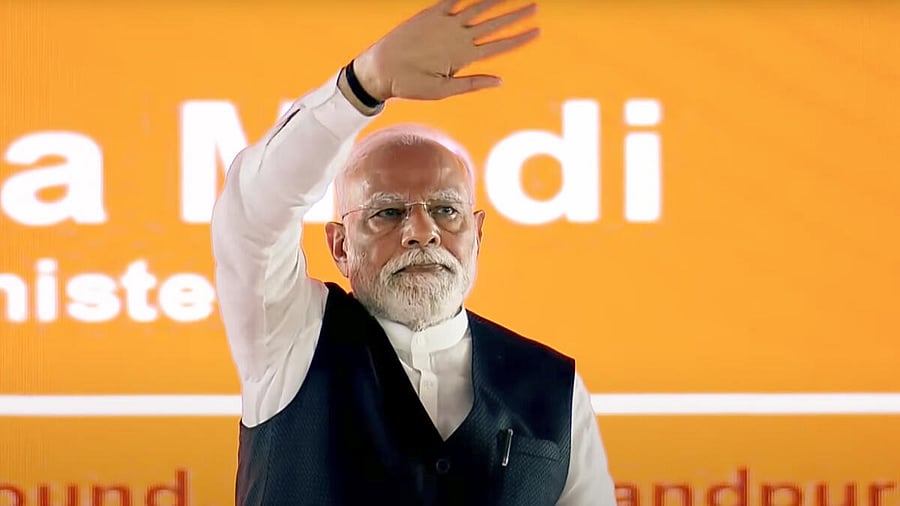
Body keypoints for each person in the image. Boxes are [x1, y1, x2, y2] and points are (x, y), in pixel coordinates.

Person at [211, 1, 616, 504]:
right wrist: (361, 87)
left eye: (447, 211)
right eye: (388, 213)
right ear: (339, 245)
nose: (421, 232)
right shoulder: (289, 340)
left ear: (478, 234)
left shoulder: (555, 388)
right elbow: (252, 213)